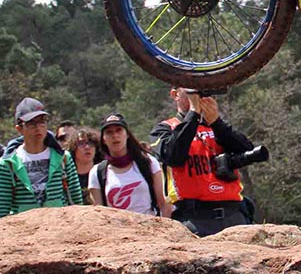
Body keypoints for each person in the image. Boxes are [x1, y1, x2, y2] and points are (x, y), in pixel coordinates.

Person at [151, 86, 256, 235]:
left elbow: (247, 152)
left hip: (233, 214)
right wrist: (193, 114)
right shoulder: (164, 129)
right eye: (190, 92)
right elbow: (173, 156)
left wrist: (216, 122)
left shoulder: (216, 127)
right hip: (194, 217)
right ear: (175, 94)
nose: (197, 96)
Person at [0, 97, 83, 218]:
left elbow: (77, 201)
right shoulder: (7, 164)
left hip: (59, 228)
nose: (38, 127)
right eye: (31, 123)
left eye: (42, 121)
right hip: (23, 230)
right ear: (19, 128)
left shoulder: (63, 158)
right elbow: (0, 210)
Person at [87, 113, 170, 217]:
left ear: (127, 135)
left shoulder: (148, 163)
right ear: (103, 139)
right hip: (117, 230)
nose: (115, 136)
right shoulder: (97, 172)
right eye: (109, 132)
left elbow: (163, 203)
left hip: (150, 229)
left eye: (119, 130)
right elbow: (99, 214)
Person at [65, 126, 101, 199]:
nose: (87, 147)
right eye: (81, 143)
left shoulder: (102, 172)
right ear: (74, 148)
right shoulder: (67, 174)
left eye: (91, 143)